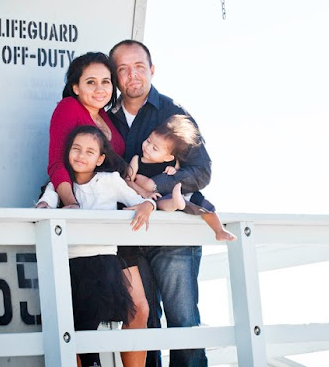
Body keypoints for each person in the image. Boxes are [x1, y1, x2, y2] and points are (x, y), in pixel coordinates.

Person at [38, 51, 151, 367]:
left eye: (106, 81)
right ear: (75, 86)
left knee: (137, 308)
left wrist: (144, 194)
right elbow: (56, 163)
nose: (100, 88)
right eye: (91, 82)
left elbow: (117, 171)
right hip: (82, 220)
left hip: (114, 221)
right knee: (79, 315)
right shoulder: (68, 108)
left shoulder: (107, 117)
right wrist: (70, 203)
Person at [108, 40, 213, 367]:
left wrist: (157, 185)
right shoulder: (105, 119)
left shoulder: (172, 112)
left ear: (152, 69)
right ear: (115, 76)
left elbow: (202, 170)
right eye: (123, 69)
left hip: (173, 236)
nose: (132, 75)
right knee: (145, 326)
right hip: (129, 237)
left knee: (183, 323)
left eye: (139, 66)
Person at [128, 114, 235, 242]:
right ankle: (176, 203)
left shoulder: (172, 162)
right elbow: (127, 181)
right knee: (162, 202)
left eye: (155, 148)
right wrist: (144, 192)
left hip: (175, 193)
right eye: (148, 141)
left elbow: (178, 174)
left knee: (201, 202)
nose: (147, 147)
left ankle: (219, 231)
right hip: (154, 199)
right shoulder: (137, 160)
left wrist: (173, 170)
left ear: (168, 157)